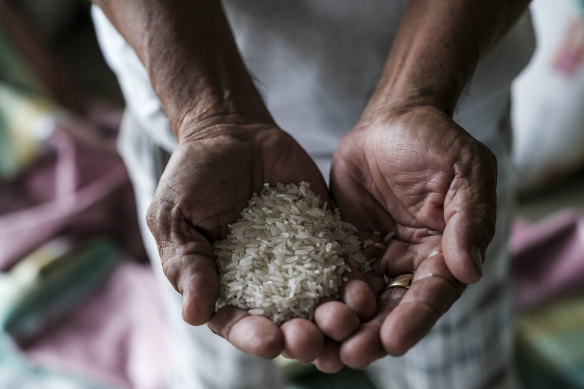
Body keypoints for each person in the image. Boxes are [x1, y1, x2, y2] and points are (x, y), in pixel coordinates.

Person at [90, 1, 535, 388]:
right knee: (218, 370)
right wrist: (210, 118)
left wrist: (417, 98)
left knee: (458, 372)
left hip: (434, 159)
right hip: (192, 144)